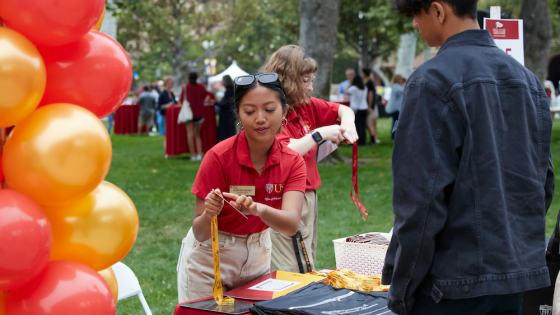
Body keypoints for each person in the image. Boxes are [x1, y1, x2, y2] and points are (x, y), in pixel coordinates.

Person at [382, 1, 555, 314]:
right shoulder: (528, 82)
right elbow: (541, 185)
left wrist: (400, 289)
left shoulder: (430, 81)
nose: (414, 25)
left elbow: (419, 204)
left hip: (449, 287)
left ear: (438, 10)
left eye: (415, 15)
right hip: (510, 279)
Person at [177, 72, 306, 302]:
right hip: (210, 258)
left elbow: (290, 225)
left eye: (269, 109)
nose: (260, 118)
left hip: (258, 255)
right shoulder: (218, 157)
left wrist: (258, 210)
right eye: (249, 111)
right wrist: (209, 213)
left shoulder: (293, 161)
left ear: (284, 112)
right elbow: (200, 232)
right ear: (238, 115)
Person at [260, 45, 358, 273]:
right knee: (295, 272)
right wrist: (319, 134)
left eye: (312, 80)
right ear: (289, 80)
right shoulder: (272, 111)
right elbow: (286, 152)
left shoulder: (305, 106)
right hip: (285, 195)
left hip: (307, 195)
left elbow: (344, 111)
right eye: (305, 81)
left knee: (306, 265)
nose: (311, 87)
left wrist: (347, 125)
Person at [180, 72, 206, 161]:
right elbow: (204, 97)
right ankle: (199, 154)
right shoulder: (201, 87)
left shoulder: (186, 87)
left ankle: (192, 155)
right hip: (199, 113)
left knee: (190, 134)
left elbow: (181, 99)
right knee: (197, 135)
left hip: (189, 113)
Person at [345, 74, 369, 146]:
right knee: (362, 125)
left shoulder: (353, 88)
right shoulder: (365, 87)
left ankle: (354, 140)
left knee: (355, 125)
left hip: (355, 108)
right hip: (364, 107)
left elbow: (346, 91)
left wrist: (350, 84)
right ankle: (362, 141)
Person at [217, 75, 237, 141]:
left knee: (227, 133)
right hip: (230, 114)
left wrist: (215, 102)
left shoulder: (229, 90)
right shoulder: (231, 90)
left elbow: (225, 103)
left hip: (227, 115)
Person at [385, 74, 405, 140]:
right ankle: (394, 135)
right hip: (396, 108)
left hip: (396, 108)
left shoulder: (395, 86)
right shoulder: (395, 86)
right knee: (396, 122)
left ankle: (394, 135)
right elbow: (400, 91)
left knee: (395, 122)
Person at [362, 68, 379, 144]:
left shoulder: (369, 83)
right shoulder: (368, 82)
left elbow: (370, 94)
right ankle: (374, 139)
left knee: (369, 123)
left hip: (370, 106)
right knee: (370, 123)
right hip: (370, 105)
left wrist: (369, 106)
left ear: (364, 74)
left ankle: (373, 140)